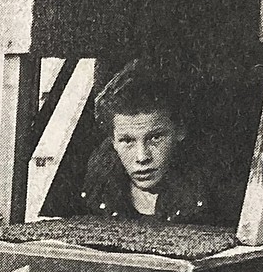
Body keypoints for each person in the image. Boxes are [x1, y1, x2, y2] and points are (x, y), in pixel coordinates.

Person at [79, 59, 221, 225]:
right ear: (113, 142)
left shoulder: (212, 197)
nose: (142, 157)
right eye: (127, 140)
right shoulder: (96, 194)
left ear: (180, 131)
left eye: (155, 138)